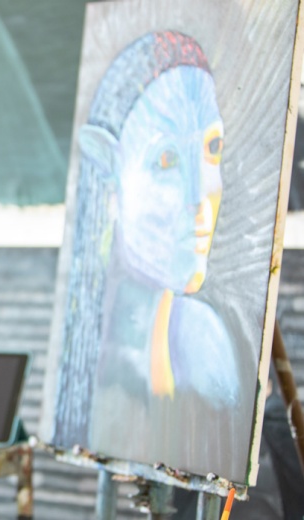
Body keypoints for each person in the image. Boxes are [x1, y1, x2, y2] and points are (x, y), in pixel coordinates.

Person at [53, 31, 251, 479]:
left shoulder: (207, 349)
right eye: (166, 160)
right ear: (109, 177)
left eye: (212, 148)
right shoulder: (95, 365)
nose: (199, 195)